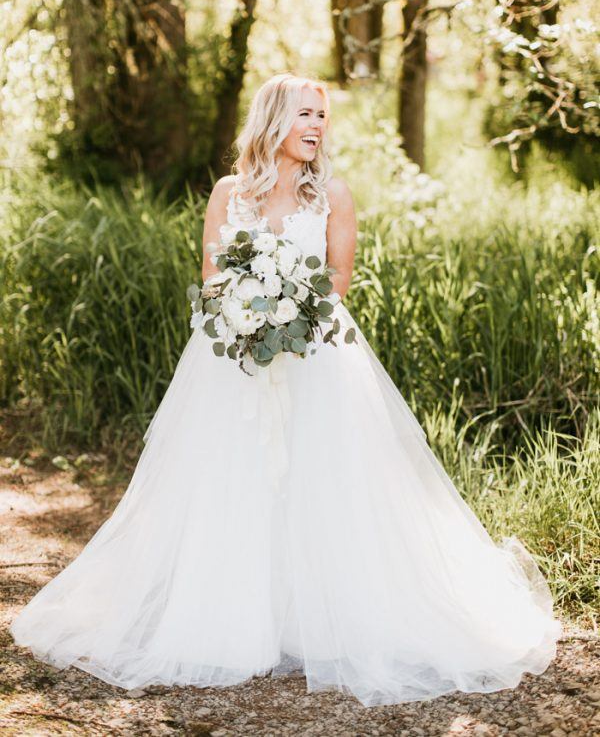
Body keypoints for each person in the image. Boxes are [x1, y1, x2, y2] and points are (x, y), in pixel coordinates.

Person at [10, 73, 561, 708]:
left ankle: (323, 615)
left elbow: (338, 280)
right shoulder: (229, 193)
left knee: (322, 479)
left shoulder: (334, 194)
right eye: (306, 113)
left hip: (317, 355)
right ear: (274, 118)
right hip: (234, 358)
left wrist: (288, 313)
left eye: (322, 116)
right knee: (232, 478)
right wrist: (247, 311)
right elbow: (212, 275)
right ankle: (237, 617)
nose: (317, 126)